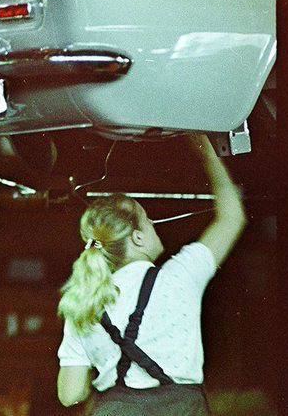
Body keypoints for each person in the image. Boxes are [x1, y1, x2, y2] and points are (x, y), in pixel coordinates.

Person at [56, 135, 246, 416]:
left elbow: (70, 395)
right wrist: (207, 152)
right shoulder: (180, 276)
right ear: (137, 238)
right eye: (148, 220)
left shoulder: (84, 303)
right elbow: (232, 217)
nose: (154, 224)